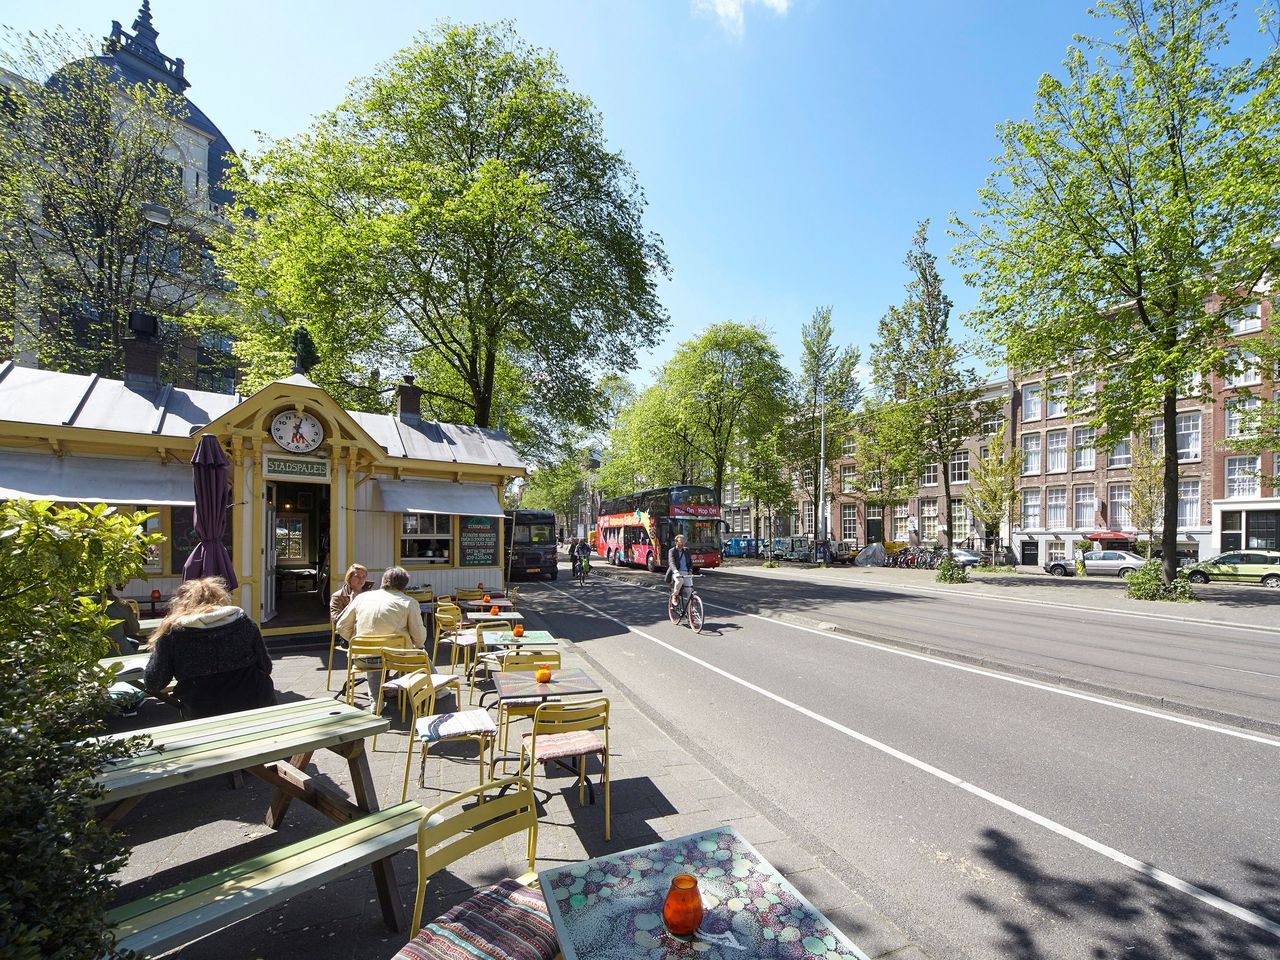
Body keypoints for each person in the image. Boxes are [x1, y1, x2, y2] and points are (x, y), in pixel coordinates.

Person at [144, 577, 275, 720]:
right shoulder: (245, 624)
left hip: (203, 711)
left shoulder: (173, 635)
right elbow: (266, 667)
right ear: (221, 599)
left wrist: (157, 650)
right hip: (257, 703)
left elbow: (154, 682)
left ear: (180, 604)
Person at [336, 566, 427, 700]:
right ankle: (436, 690)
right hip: (394, 660)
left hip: (361, 659)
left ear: (383, 581)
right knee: (420, 655)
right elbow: (419, 638)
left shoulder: (362, 597)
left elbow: (341, 626)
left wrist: (358, 641)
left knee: (375, 655)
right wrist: (416, 644)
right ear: (404, 585)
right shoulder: (408, 602)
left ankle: (377, 700)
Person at [103, 584, 143, 657]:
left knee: (134, 642)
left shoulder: (79, 605)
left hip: (90, 656)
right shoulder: (120, 604)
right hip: (121, 652)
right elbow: (134, 629)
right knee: (134, 643)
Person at [667, 533, 695, 606]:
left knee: (690, 591)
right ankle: (675, 595)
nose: (682, 543)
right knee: (680, 581)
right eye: (680, 542)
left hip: (686, 573)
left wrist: (690, 571)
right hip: (677, 572)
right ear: (676, 542)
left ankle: (690, 609)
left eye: (683, 542)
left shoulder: (686, 550)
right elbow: (671, 562)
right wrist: (676, 571)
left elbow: (690, 562)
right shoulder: (672, 551)